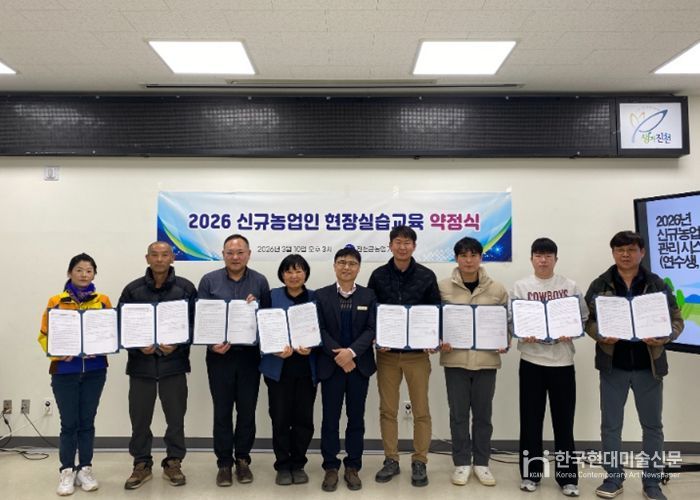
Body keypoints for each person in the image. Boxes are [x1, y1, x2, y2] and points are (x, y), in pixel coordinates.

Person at [584, 231, 683, 500]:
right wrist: (599, 334)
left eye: (630, 249)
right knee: (610, 426)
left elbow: (677, 319)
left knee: (652, 427)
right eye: (619, 250)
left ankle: (652, 483)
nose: (625, 254)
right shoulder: (600, 284)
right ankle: (613, 478)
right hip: (612, 366)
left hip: (648, 367)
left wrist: (665, 336)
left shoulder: (656, 284)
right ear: (613, 253)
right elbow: (587, 320)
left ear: (642, 252)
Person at [512, 238, 588, 497]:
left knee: (564, 423)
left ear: (556, 259)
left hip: (562, 362)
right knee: (530, 421)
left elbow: (583, 317)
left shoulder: (569, 286)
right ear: (531, 258)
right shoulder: (521, 287)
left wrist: (572, 331)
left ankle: (568, 478)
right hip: (531, 361)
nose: (543, 260)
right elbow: (512, 321)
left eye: (548, 256)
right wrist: (522, 332)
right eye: (538, 255)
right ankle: (530, 474)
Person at [119, 242, 197, 489]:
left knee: (176, 418)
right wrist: (137, 345)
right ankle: (141, 463)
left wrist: (178, 344)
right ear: (147, 258)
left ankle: (174, 462)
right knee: (140, 419)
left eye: (165, 255)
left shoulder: (186, 288)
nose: (160, 259)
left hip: (174, 365)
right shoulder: (132, 290)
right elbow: (121, 325)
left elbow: (196, 324)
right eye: (155, 255)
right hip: (141, 367)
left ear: (172, 258)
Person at [368, 225, 441, 487]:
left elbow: (435, 311)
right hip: (387, 355)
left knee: (421, 410)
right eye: (398, 242)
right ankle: (391, 459)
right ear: (390, 245)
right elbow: (372, 312)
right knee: (387, 409)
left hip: (417, 355)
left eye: (407, 242)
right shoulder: (378, 275)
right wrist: (376, 337)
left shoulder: (426, 275)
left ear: (414, 246)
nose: (402, 247)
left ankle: (420, 460)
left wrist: (433, 338)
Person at [198, 234, 270, 487]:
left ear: (248, 254)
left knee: (247, 410)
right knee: (222, 410)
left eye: (240, 252)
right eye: (230, 252)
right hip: (220, 357)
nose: (235, 257)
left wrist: (255, 308)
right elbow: (201, 318)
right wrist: (211, 344)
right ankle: (224, 463)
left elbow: (268, 320)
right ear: (223, 254)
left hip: (250, 356)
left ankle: (242, 459)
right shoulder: (209, 281)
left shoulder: (259, 281)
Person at [38, 253, 111, 496]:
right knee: (69, 423)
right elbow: (44, 335)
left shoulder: (103, 301)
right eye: (79, 270)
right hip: (65, 372)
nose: (84, 274)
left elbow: (110, 332)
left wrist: (102, 346)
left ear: (94, 274)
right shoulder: (56, 301)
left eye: (89, 270)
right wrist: (58, 353)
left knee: (87, 422)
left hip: (95, 370)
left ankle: (85, 469)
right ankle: (67, 470)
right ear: (70, 273)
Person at [439, 237, 509, 487]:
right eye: (463, 255)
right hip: (455, 360)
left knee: (483, 416)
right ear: (456, 258)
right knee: (458, 415)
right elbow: (436, 322)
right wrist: (440, 340)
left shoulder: (497, 289)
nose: (468, 260)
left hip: (486, 361)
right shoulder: (443, 287)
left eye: (473, 255)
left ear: (481, 257)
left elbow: (506, 322)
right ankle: (461, 463)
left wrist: (504, 340)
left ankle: (481, 463)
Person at [316, 246, 377, 492]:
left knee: (356, 418)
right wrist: (339, 356)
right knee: (330, 419)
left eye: (352, 263)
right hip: (331, 367)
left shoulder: (369, 295)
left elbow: (372, 329)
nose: (346, 267)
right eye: (341, 262)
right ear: (334, 266)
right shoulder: (320, 295)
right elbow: (319, 330)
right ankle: (330, 466)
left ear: (358, 268)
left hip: (358, 367)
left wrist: (350, 353)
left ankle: (353, 466)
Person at [259, 254, 317, 486]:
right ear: (282, 274)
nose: (294, 276)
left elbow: (322, 329)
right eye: (289, 271)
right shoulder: (270, 296)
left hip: (306, 370)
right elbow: (258, 328)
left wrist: (313, 346)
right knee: (280, 418)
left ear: (306, 274)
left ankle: (298, 464)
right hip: (278, 370)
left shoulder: (315, 298)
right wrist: (272, 349)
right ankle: (283, 465)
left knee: (304, 420)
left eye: (298, 271)